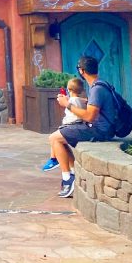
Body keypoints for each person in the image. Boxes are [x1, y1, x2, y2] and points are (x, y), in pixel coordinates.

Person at [48, 56, 117, 198]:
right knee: (61, 136)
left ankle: (68, 179)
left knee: (55, 138)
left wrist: (67, 104)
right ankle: (73, 172)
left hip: (99, 130)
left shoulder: (96, 89)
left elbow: (89, 116)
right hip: (103, 127)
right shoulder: (101, 84)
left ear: (82, 71)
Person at [42, 77, 88, 171]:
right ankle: (72, 169)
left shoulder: (72, 101)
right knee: (60, 142)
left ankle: (54, 159)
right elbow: (78, 100)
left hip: (71, 124)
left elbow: (68, 102)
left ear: (69, 89)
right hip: (76, 124)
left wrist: (63, 100)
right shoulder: (80, 100)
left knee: (53, 138)